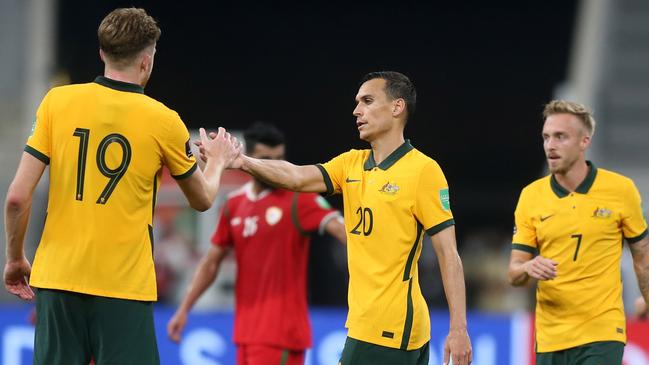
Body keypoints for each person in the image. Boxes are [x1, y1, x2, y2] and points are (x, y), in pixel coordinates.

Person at [3, 8, 239, 365]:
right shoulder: (164, 121)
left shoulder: (57, 102)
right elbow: (204, 199)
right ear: (146, 62)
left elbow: (17, 198)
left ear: (102, 53)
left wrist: (15, 258)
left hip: (57, 280)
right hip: (123, 287)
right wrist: (219, 160)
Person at [199, 72, 473, 365]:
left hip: (390, 327)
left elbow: (448, 253)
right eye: (357, 103)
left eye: (368, 101)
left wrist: (458, 329)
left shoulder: (423, 171)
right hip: (367, 324)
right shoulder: (351, 164)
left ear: (397, 107)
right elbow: (296, 176)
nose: (357, 111)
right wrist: (241, 161)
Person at [167, 121, 347, 365]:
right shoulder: (234, 204)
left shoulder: (299, 200)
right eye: (266, 158)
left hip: (282, 334)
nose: (273, 165)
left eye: (278, 159)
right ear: (250, 158)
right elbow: (211, 262)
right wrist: (184, 309)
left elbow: (342, 229)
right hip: (245, 332)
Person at [507, 100, 649, 365]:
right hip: (550, 336)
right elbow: (514, 272)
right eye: (546, 137)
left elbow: (642, 257)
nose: (550, 145)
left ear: (584, 142)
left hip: (601, 332)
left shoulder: (621, 190)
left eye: (561, 137)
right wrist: (528, 268)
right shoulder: (531, 196)